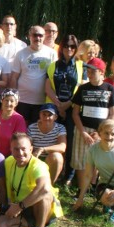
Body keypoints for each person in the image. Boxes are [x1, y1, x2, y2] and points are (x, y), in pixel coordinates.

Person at [0, 133, 62, 227]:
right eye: (16, 149)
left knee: (45, 193)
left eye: (24, 149)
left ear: (31, 149)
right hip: (22, 208)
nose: (20, 153)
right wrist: (5, 206)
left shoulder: (38, 165)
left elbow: (44, 188)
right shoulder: (8, 162)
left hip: (41, 208)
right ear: (11, 150)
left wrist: (19, 206)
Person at [73, 120, 114, 224]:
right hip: (105, 184)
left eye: (113, 134)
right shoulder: (93, 150)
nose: (109, 137)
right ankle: (109, 205)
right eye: (106, 133)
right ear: (100, 132)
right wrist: (80, 198)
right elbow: (88, 175)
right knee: (107, 197)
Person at [71, 57, 114, 195]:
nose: (89, 74)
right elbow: (75, 113)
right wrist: (83, 132)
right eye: (88, 71)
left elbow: (112, 114)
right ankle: (81, 189)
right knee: (80, 160)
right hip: (83, 129)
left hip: (102, 131)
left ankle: (92, 186)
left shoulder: (110, 89)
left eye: (93, 71)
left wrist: (101, 132)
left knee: (97, 159)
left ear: (101, 72)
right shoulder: (83, 88)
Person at [45, 34, 82, 181]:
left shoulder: (81, 66)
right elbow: (47, 88)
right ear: (61, 47)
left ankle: (69, 176)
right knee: (53, 140)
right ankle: (54, 172)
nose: (69, 49)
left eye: (72, 46)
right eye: (66, 45)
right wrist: (59, 105)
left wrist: (68, 104)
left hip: (72, 109)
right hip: (54, 107)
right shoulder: (53, 65)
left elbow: (81, 89)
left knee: (71, 142)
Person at [9, 26, 58, 124]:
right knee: (21, 129)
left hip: (42, 101)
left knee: (37, 129)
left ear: (44, 37)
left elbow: (54, 78)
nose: (38, 38)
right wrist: (13, 97)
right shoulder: (21, 54)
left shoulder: (52, 53)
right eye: (35, 35)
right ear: (29, 36)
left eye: (40, 35)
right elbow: (14, 77)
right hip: (22, 100)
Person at [27, 104, 67, 184]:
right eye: (44, 114)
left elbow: (62, 147)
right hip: (35, 157)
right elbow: (28, 145)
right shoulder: (32, 127)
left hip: (50, 160)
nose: (46, 117)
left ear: (55, 117)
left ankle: (49, 186)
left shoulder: (60, 128)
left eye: (50, 115)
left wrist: (43, 149)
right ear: (39, 115)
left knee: (57, 157)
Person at [0, 89, 27, 157]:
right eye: (6, 100)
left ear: (16, 103)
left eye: (12, 101)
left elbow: (19, 141)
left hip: (9, 157)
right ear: (1, 101)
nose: (8, 103)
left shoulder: (19, 119)